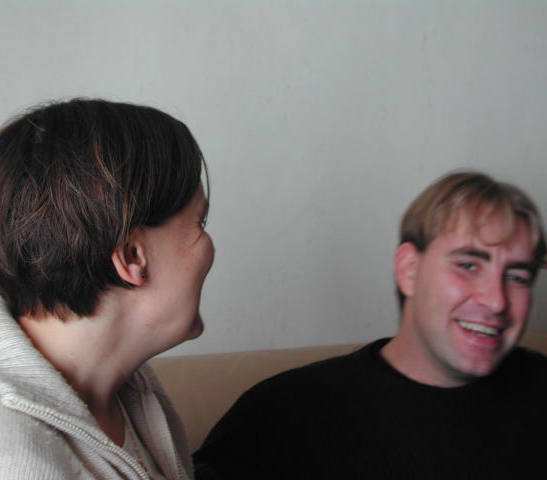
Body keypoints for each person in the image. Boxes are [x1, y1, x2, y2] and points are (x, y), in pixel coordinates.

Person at [0, 99, 214, 480]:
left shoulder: (123, 391)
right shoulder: (5, 469)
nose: (209, 245)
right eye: (200, 223)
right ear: (133, 257)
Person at [193, 171, 547, 479]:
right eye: (468, 265)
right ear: (409, 270)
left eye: (517, 276)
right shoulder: (282, 414)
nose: (497, 301)